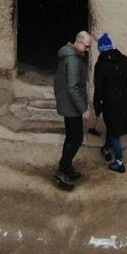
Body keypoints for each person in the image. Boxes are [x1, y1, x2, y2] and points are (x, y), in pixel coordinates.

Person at [92, 32, 127, 173]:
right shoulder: (124, 60)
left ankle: (119, 162)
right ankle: (107, 147)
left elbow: (99, 88)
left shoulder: (100, 65)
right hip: (124, 100)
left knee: (114, 132)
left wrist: (97, 104)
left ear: (100, 50)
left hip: (110, 102)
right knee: (113, 127)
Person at [52, 26, 93, 190]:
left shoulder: (67, 55)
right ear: (78, 42)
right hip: (72, 107)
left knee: (71, 137)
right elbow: (73, 87)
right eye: (87, 46)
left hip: (67, 104)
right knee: (76, 139)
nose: (88, 50)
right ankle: (62, 170)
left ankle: (67, 168)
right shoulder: (73, 60)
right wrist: (83, 109)